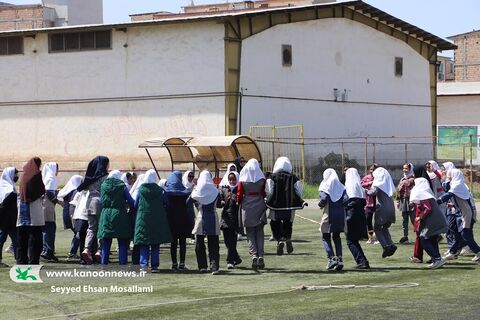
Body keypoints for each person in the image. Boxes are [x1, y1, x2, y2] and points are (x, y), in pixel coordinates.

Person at [437, 169, 480, 263]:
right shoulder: (454, 184)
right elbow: (446, 188)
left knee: (465, 234)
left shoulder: (458, 185)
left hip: (465, 213)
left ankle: (478, 251)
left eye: (450, 174)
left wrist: (437, 202)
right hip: (459, 212)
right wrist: (447, 179)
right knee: (458, 234)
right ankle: (453, 252)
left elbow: (447, 195)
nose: (449, 176)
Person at [265, 156, 305, 256]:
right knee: (288, 223)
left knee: (274, 223)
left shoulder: (272, 177)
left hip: (275, 205)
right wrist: (297, 199)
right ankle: (287, 238)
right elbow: (299, 190)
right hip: (290, 206)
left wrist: (269, 199)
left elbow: (269, 190)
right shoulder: (293, 177)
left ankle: (279, 239)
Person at [134, 169, 172, 273]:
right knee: (155, 243)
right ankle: (155, 266)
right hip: (157, 219)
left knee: (143, 242)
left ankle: (144, 265)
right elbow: (167, 204)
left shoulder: (140, 189)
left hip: (143, 219)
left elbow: (135, 204)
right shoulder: (160, 190)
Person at [77, 156, 110, 265]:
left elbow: (84, 188)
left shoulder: (90, 177)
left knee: (91, 228)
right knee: (101, 228)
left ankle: (86, 249)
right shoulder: (105, 177)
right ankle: (99, 251)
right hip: (100, 203)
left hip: (89, 203)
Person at [410, 177, 448, 269]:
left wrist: (420, 217)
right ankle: (436, 260)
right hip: (433, 220)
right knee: (432, 239)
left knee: (424, 239)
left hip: (432, 221)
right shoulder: (427, 194)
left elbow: (428, 208)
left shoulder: (423, 195)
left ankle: (437, 258)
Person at [98, 170, 135, 265]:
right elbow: (131, 201)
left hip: (106, 214)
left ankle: (104, 265)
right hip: (120, 214)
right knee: (122, 242)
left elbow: (101, 201)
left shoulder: (103, 186)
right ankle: (122, 264)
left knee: (106, 242)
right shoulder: (122, 186)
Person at [237, 159, 267, 270]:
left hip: (247, 205)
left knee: (249, 232)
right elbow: (264, 193)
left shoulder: (243, 178)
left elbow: (240, 194)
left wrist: (239, 202)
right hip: (259, 203)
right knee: (260, 232)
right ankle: (261, 255)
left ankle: (253, 254)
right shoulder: (261, 178)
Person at [163, 171, 195, 271]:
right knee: (182, 243)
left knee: (173, 243)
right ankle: (182, 263)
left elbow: (166, 206)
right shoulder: (184, 193)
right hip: (183, 220)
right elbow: (189, 205)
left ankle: (174, 264)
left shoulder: (167, 193)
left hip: (171, 221)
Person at [191, 170, 221, 274]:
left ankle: (202, 266)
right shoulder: (215, 191)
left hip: (200, 217)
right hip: (213, 217)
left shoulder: (196, 191)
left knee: (199, 243)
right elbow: (219, 204)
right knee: (213, 244)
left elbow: (189, 201)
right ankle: (214, 266)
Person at [17, 157, 45, 265]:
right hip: (34, 209)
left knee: (22, 238)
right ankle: (33, 261)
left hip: (23, 207)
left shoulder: (24, 175)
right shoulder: (36, 174)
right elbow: (41, 190)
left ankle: (21, 261)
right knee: (35, 237)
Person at [318, 168, 348, 271]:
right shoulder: (341, 186)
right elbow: (346, 200)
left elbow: (323, 199)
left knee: (325, 236)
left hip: (329, 214)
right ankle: (339, 259)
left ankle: (331, 258)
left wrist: (320, 205)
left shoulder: (325, 185)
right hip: (340, 215)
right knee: (337, 236)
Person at [366, 167, 397, 258]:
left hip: (382, 209)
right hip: (391, 208)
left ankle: (385, 246)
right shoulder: (387, 184)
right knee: (384, 228)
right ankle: (391, 244)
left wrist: (365, 190)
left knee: (377, 228)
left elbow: (372, 192)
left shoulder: (378, 184)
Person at [344, 168, 370, 269]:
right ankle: (363, 261)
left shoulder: (348, 186)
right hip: (361, 216)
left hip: (351, 216)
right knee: (354, 240)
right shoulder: (360, 187)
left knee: (350, 240)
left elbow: (346, 202)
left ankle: (362, 261)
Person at [217, 171, 242, 269]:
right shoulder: (224, 189)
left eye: (234, 179)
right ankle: (236, 258)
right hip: (225, 218)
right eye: (230, 179)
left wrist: (238, 201)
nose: (232, 181)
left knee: (232, 241)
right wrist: (222, 202)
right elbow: (219, 202)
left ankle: (230, 261)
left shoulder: (239, 189)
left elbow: (242, 201)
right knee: (227, 241)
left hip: (235, 219)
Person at [57, 174, 82, 260]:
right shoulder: (76, 191)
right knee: (79, 233)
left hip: (66, 214)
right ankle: (72, 252)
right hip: (72, 215)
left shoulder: (67, 191)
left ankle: (73, 251)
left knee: (77, 233)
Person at [41, 162, 62, 262]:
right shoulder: (51, 178)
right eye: (57, 169)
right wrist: (58, 201)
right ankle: (48, 251)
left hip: (46, 206)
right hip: (48, 206)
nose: (58, 171)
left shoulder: (47, 178)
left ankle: (47, 250)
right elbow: (49, 192)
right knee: (49, 228)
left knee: (47, 228)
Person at [0, 167, 19, 266]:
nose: (17, 176)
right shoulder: (10, 190)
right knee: (16, 240)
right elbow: (4, 207)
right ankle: (19, 260)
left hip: (5, 220)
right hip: (9, 221)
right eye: (15, 174)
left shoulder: (4, 187)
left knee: (2, 240)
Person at [396, 163, 415, 244]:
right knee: (404, 220)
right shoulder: (403, 178)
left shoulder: (413, 179)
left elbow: (408, 185)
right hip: (404, 201)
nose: (404, 170)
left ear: (410, 169)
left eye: (406, 168)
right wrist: (398, 201)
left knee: (414, 220)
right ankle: (405, 237)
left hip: (411, 201)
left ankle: (421, 235)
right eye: (403, 168)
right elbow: (398, 190)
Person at [361, 163, 378, 244]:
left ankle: (377, 237)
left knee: (378, 221)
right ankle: (370, 237)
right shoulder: (366, 178)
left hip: (378, 202)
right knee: (368, 220)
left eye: (374, 169)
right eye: (371, 169)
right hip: (369, 202)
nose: (372, 171)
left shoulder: (379, 178)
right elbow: (361, 184)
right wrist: (369, 183)